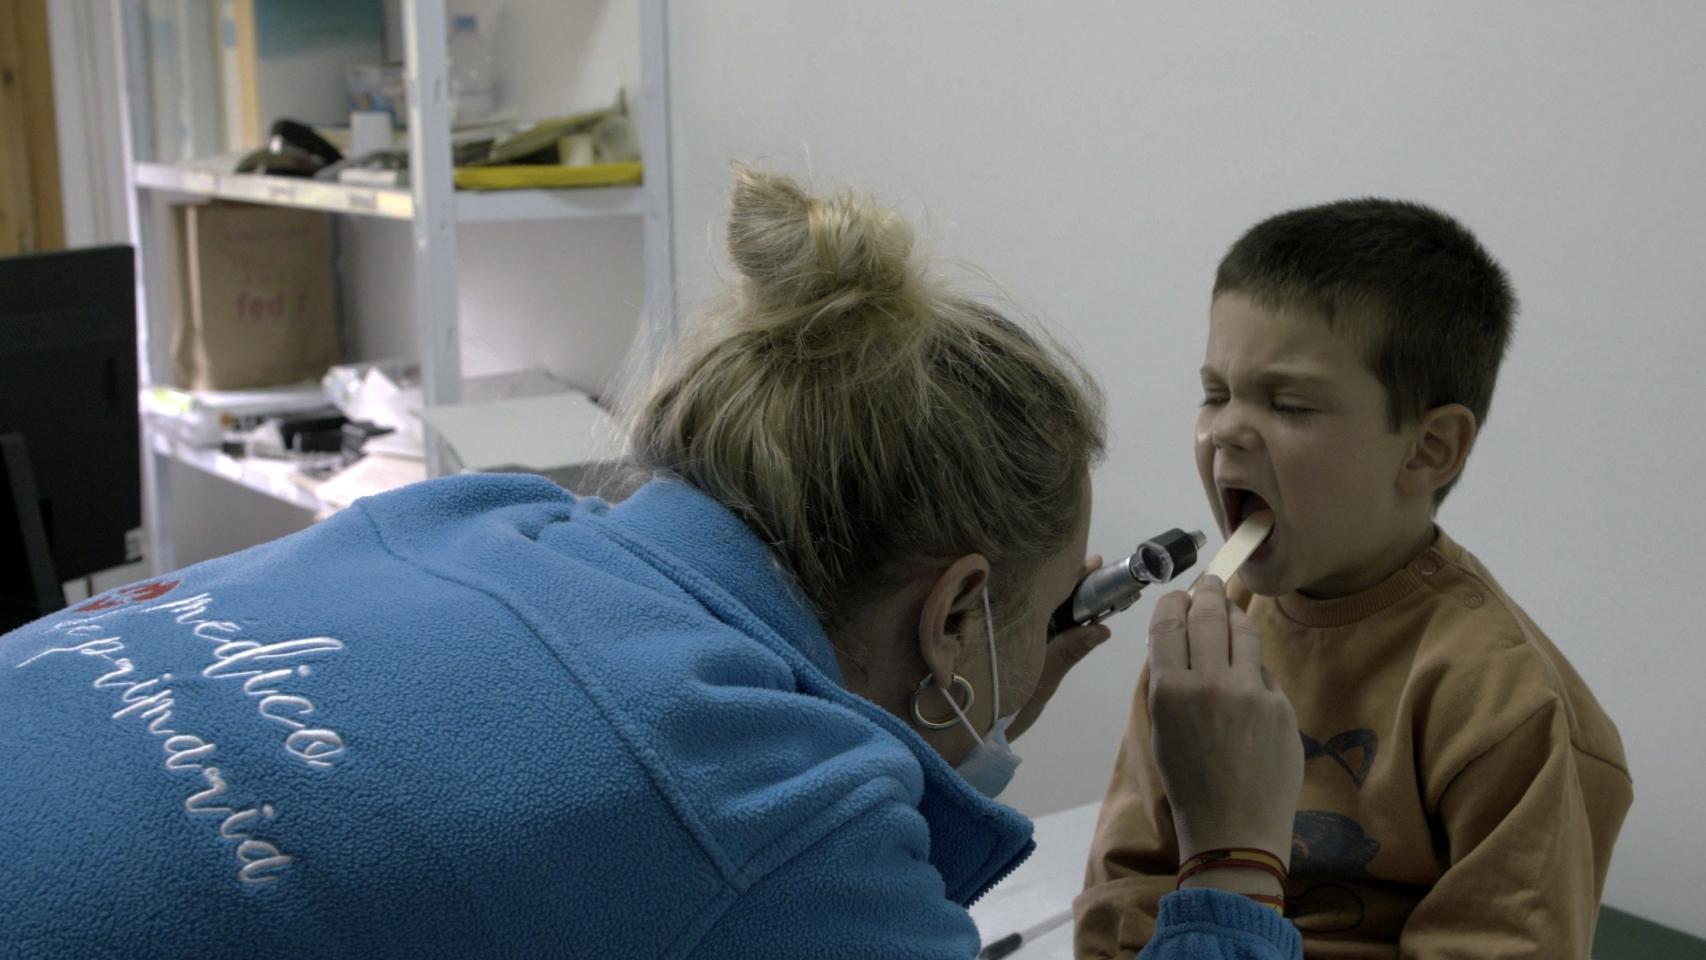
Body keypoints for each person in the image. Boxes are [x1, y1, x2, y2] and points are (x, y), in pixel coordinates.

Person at [0, 168, 1276, 960]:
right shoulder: (783, 822)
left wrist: (946, 734)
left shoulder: (470, 515)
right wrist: (1228, 856)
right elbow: (763, 872)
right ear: (952, 615)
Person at [1077, 199, 1633, 957]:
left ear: (1429, 449)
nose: (1225, 430)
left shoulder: (1511, 711)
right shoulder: (1214, 646)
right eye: (1215, 393)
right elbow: (1124, 892)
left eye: (1288, 403)